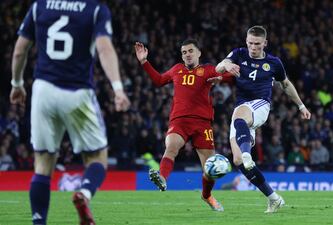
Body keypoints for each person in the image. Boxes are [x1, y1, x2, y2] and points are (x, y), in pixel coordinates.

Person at [10, 0, 130, 224]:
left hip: (43, 90)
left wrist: (16, 83)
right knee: (97, 158)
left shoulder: (40, 6)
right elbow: (104, 49)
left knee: (43, 164)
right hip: (77, 92)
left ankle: (38, 221)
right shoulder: (95, 9)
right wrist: (118, 89)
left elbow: (19, 51)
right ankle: (84, 194)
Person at [216, 25, 311, 213]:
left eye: (257, 44)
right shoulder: (238, 54)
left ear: (265, 43)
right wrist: (226, 65)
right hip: (241, 110)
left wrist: (301, 106)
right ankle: (273, 198)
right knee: (237, 161)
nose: (253, 47)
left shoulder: (274, 63)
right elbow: (219, 66)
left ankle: (246, 153)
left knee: (239, 117)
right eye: (250, 43)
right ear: (246, 41)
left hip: (260, 105)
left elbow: (285, 84)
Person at [134, 40, 231, 211]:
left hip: (202, 123)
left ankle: (207, 195)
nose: (187, 54)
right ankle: (162, 178)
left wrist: (223, 76)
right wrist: (144, 61)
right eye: (184, 52)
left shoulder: (208, 69)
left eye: (190, 51)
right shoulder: (176, 69)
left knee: (209, 167)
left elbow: (227, 75)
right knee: (171, 147)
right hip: (179, 120)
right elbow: (158, 80)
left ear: (199, 53)